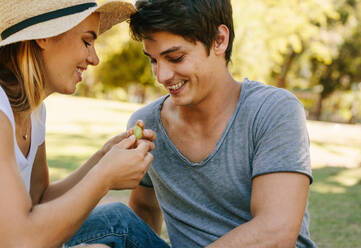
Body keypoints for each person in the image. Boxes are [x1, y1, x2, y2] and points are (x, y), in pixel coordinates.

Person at [0, 0, 170, 247]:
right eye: (87, 41)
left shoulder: (33, 110)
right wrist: (104, 177)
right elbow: (16, 242)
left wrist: (103, 158)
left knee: (117, 220)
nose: (94, 59)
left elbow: (39, 201)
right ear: (44, 36)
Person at [127, 0, 317, 247]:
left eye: (175, 57)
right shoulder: (148, 124)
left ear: (219, 40)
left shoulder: (272, 110)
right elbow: (143, 210)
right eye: (153, 60)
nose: (161, 76)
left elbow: (276, 232)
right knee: (111, 224)